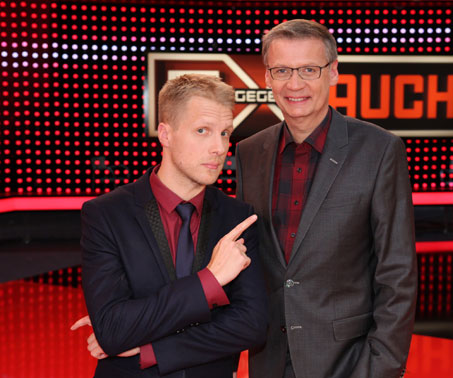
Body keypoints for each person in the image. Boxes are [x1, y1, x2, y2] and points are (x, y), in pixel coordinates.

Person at [235, 19, 417, 378]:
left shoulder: (380, 149)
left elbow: (397, 272)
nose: (295, 83)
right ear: (267, 77)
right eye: (282, 70)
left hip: (348, 363)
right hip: (268, 358)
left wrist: (380, 367)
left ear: (333, 72)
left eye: (309, 69)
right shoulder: (249, 152)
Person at [71, 74, 268, 378]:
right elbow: (113, 329)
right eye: (202, 131)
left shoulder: (238, 216)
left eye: (225, 133)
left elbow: (250, 325)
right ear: (165, 134)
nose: (219, 147)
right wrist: (211, 279)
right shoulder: (106, 214)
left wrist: (150, 348)